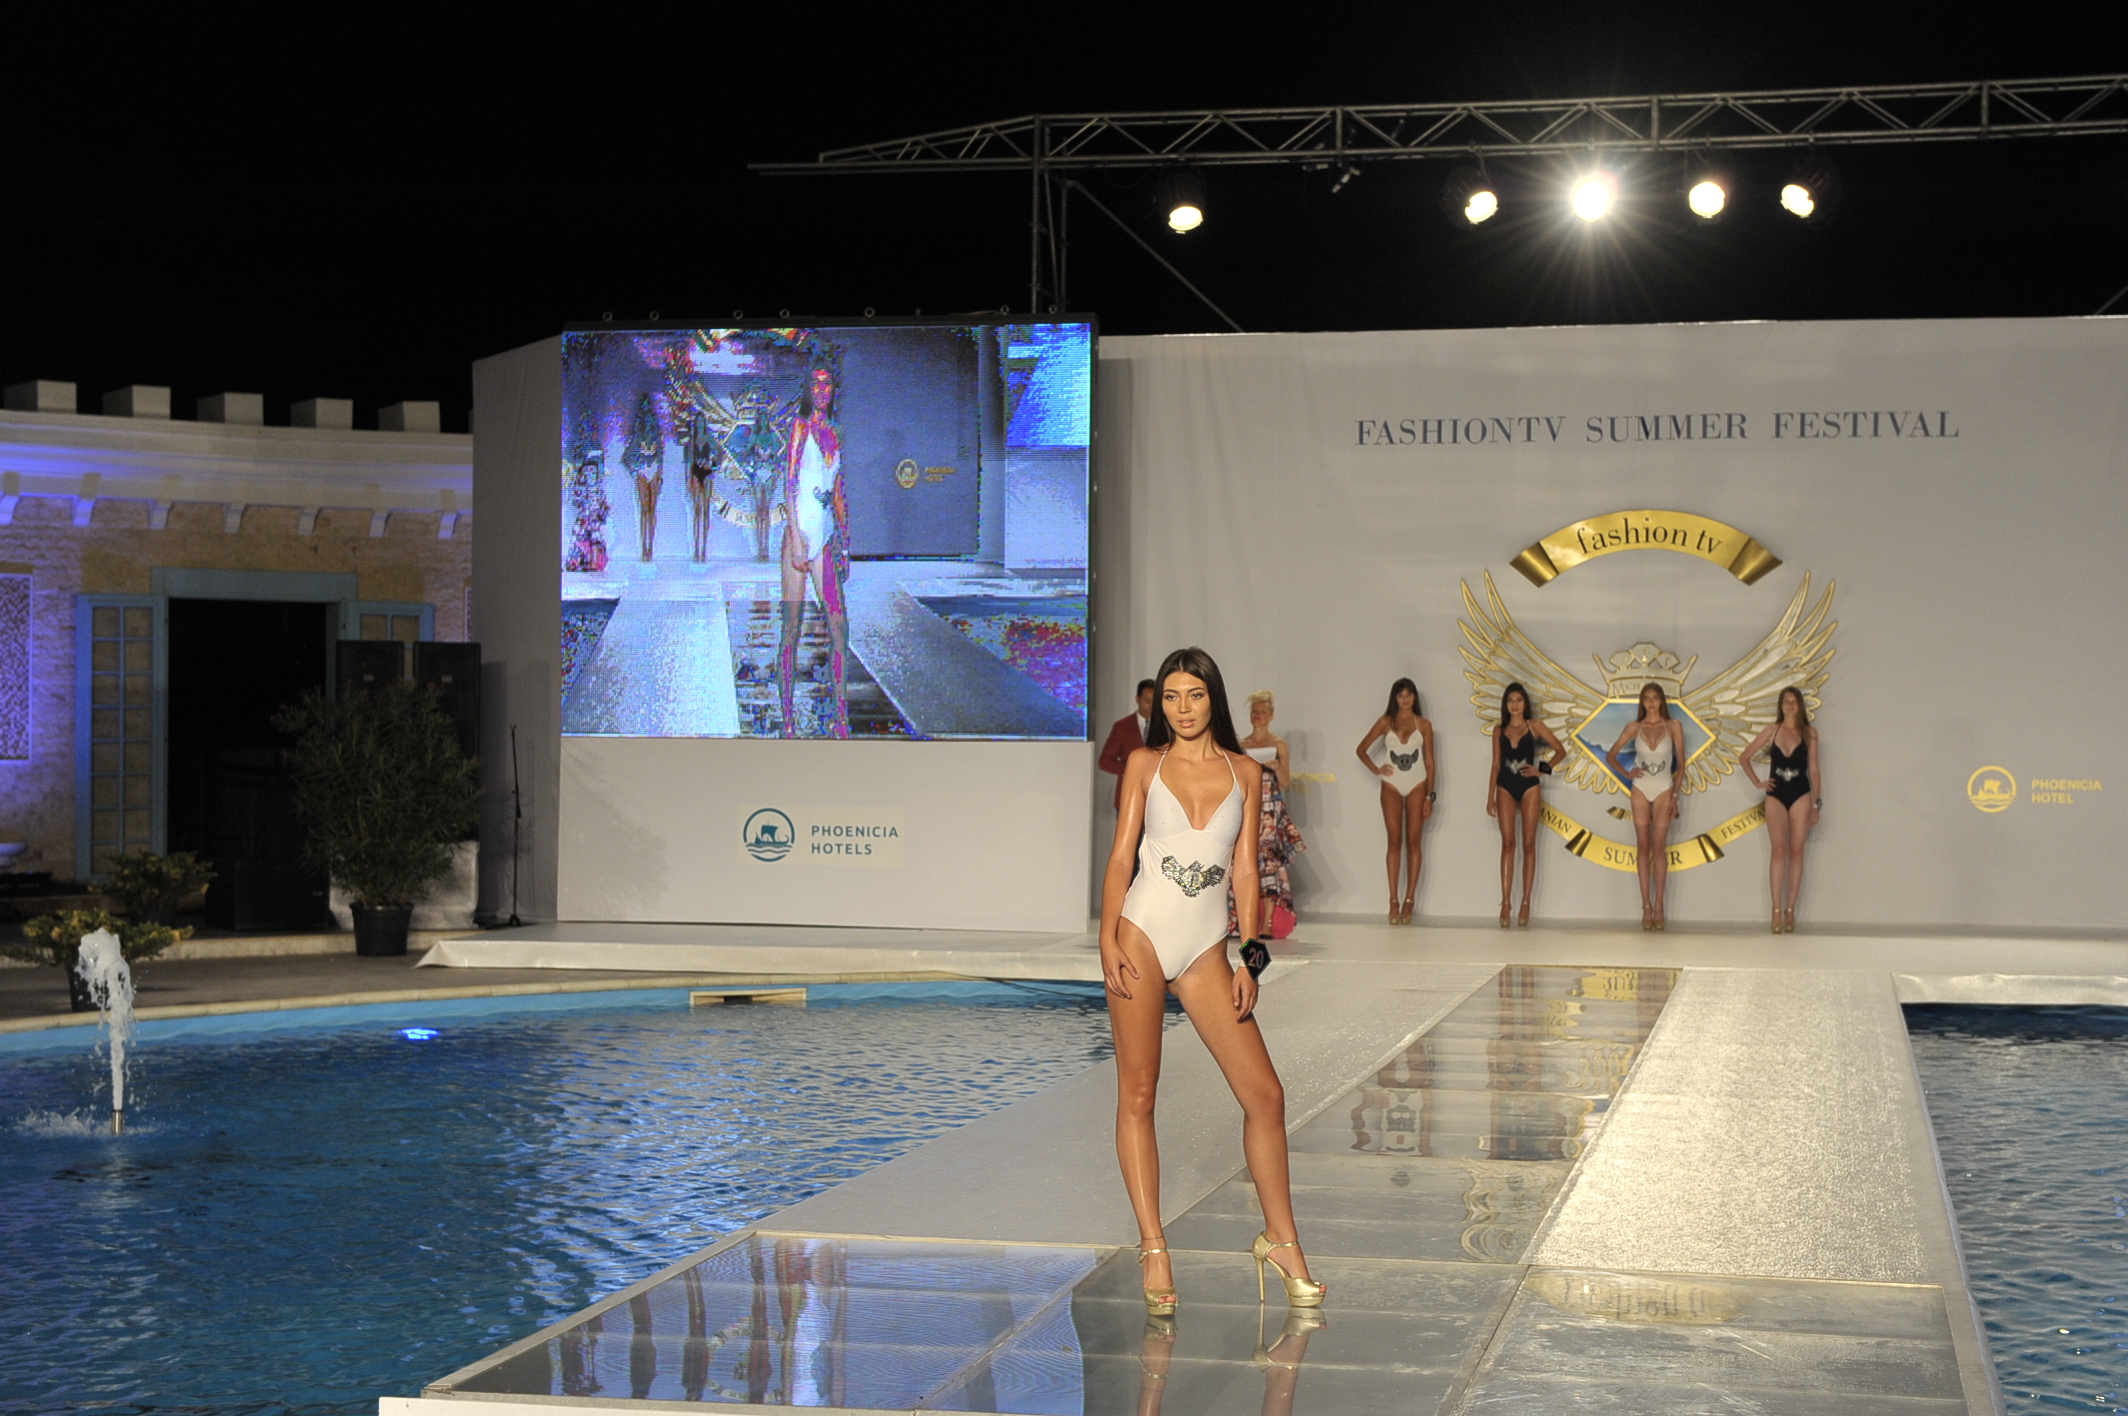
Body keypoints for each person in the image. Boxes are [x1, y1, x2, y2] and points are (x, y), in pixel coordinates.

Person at [1102, 646, 1323, 1318]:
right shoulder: (1144, 765)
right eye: (1170, 697)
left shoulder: (1246, 772)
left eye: (1194, 695)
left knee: (1266, 1096)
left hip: (1206, 950)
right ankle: (1153, 1246)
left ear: (1213, 698)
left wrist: (1251, 959)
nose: (1182, 708)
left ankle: (1282, 1242)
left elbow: (1248, 873)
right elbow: (1121, 857)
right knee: (1139, 1093)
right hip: (1140, 935)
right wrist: (1107, 939)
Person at [777, 360, 850, 739]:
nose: (822, 390)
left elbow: (837, 492)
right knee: (792, 628)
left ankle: (842, 719)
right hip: (799, 533)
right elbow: (789, 483)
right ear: (808, 389)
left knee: (839, 628)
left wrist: (845, 543)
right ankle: (787, 721)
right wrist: (795, 535)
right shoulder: (799, 426)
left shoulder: (835, 433)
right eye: (816, 384)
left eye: (828, 384)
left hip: (823, 536)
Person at [1741, 685, 1822, 933]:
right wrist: (1758, 782)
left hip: (1801, 794)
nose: (1790, 706)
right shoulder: (1771, 730)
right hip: (1775, 795)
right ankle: (1776, 910)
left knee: (1796, 852)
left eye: (1794, 701)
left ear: (1800, 706)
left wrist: (1817, 802)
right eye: (1786, 701)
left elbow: (1814, 769)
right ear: (1781, 705)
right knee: (1778, 851)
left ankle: (1790, 910)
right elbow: (1744, 757)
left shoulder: (1810, 734)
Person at [1606, 683, 1687, 931]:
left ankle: (1660, 905)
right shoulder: (1634, 727)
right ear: (1642, 702)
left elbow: (1682, 764)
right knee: (1643, 847)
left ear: (1662, 701)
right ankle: (1646, 906)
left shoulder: (1674, 726)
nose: (1651, 702)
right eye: (1647, 698)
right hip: (1640, 789)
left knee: (1658, 848)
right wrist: (1627, 773)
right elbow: (1611, 755)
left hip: (1664, 789)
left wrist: (1675, 795)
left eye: (1655, 697)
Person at [1354, 679, 1434, 924]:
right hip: (1391, 784)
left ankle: (1409, 900)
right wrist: (1377, 769)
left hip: (1418, 783)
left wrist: (1430, 795)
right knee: (1394, 841)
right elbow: (1361, 749)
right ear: (1394, 698)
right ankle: (1393, 900)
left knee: (1414, 842)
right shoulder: (1385, 722)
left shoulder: (1424, 724)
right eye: (1401, 695)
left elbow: (1430, 762)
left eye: (1409, 694)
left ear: (1414, 697)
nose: (1405, 699)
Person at [1487, 682, 1566, 928]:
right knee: (1508, 844)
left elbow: (1560, 750)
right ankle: (1505, 902)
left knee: (1529, 844)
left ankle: (1526, 901)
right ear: (1506, 704)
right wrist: (1490, 796)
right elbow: (1496, 765)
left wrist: (1542, 770)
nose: (1515, 705)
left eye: (1519, 700)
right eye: (1511, 700)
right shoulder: (1499, 730)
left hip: (1530, 787)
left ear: (1525, 704)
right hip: (1505, 786)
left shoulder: (1535, 726)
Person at [1235, 689, 1306, 939]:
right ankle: (1246, 922)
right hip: (1248, 806)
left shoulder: (1278, 745)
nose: (1257, 716)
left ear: (1271, 716)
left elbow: (1285, 782)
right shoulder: (1242, 746)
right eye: (1254, 712)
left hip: (1271, 810)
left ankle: (1267, 923)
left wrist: (1276, 768)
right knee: (1246, 862)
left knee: (1269, 863)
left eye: (1262, 712)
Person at [1099, 680, 1157, 809]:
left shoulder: (1167, 726)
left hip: (1159, 797)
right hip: (1128, 796)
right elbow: (1105, 761)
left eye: (1155, 701)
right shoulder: (1122, 727)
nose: (1151, 706)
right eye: (1147, 701)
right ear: (1138, 699)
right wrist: (1129, 772)